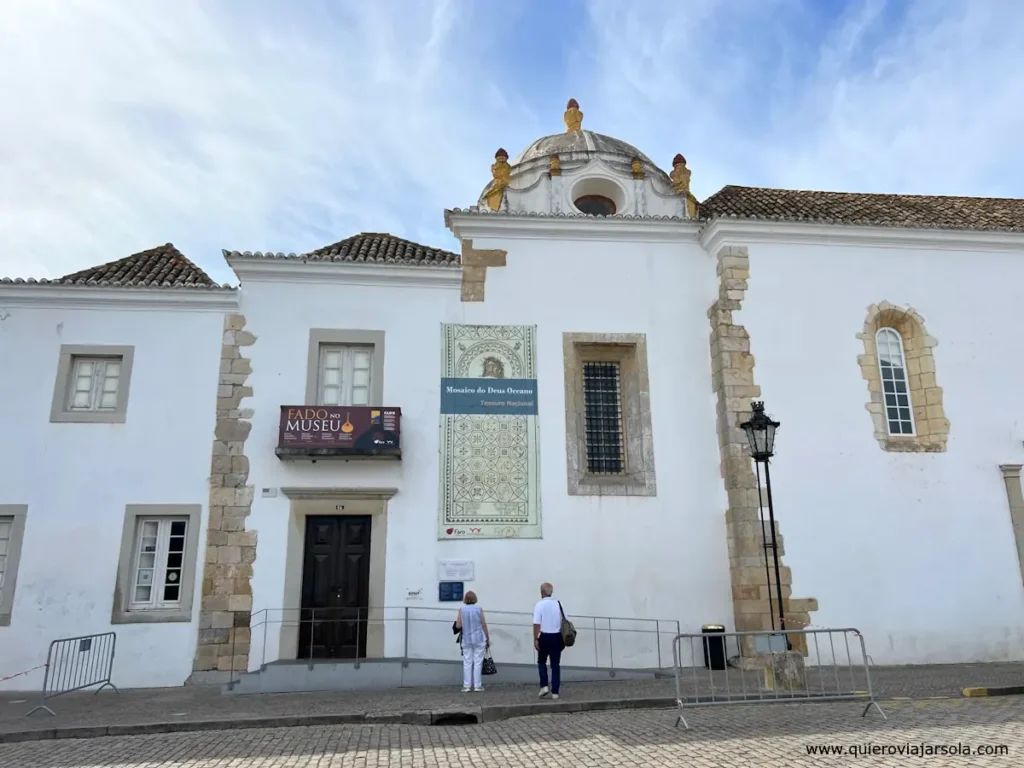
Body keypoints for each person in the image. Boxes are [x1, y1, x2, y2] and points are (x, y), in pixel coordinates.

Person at [533, 582, 566, 699]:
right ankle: (555, 692)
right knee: (555, 664)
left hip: (545, 636)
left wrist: (535, 639)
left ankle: (544, 686)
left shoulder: (539, 605)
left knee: (541, 661)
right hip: (557, 636)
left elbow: (536, 624)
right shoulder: (558, 604)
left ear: (542, 592)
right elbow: (564, 620)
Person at [455, 591, 490, 692]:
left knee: (467, 662)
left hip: (466, 639)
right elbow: (483, 625)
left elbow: (458, 626)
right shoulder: (479, 609)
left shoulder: (461, 610)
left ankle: (466, 686)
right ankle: (477, 686)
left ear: (465, 599)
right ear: (475, 598)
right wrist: (487, 638)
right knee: (478, 662)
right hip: (479, 638)